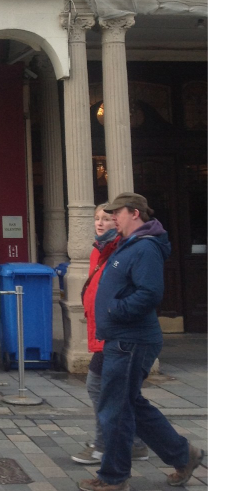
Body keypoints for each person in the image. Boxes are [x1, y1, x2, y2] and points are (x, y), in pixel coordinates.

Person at [78, 193, 205, 491]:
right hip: (121, 338)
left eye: (117, 212)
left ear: (134, 213)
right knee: (129, 405)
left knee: (116, 409)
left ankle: (113, 477)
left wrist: (114, 310)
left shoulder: (145, 247)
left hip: (130, 341)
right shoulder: (128, 244)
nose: (112, 217)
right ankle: (184, 455)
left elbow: (150, 293)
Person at [71, 204, 148, 465]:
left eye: (106, 218)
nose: (100, 223)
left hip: (114, 331)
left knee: (98, 386)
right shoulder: (99, 249)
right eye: (97, 218)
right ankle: (134, 443)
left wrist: (110, 313)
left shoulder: (120, 249)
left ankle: (104, 445)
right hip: (102, 328)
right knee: (120, 392)